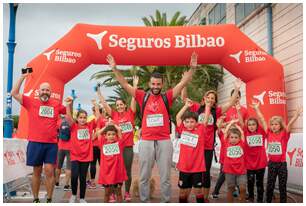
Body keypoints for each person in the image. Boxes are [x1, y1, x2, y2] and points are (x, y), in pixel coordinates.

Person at [106, 52, 197, 202]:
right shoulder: (143, 96)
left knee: (166, 176)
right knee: (144, 176)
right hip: (147, 141)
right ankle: (144, 201)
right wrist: (115, 68)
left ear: (162, 85)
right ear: (149, 84)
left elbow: (182, 84)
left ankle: (166, 201)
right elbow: (124, 84)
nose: (155, 86)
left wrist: (193, 68)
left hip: (164, 141)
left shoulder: (166, 96)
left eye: (158, 84)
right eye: (153, 84)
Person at [181, 78, 243, 202]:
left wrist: (236, 89)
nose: (210, 100)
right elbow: (184, 98)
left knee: (206, 172)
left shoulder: (217, 111)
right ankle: (187, 195)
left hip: (208, 146)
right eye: (208, 97)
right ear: (204, 99)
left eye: (212, 98)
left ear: (215, 101)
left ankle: (205, 197)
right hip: (195, 146)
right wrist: (184, 83)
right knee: (194, 171)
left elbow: (231, 103)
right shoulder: (197, 108)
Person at [11, 71, 67, 203]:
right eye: (43, 90)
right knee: (36, 172)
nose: (45, 92)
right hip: (35, 143)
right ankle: (36, 199)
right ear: (39, 91)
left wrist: (70, 103)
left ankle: (49, 199)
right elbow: (13, 93)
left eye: (47, 90)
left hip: (51, 144)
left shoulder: (56, 104)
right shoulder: (31, 102)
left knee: (49, 171)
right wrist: (22, 77)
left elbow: (68, 115)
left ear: (50, 92)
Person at [96, 76, 138, 201]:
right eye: (117, 105)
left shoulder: (130, 113)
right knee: (114, 172)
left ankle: (127, 192)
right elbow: (104, 104)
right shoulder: (113, 114)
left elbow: (134, 98)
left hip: (127, 147)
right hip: (114, 147)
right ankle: (113, 193)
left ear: (125, 106)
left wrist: (134, 86)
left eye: (121, 104)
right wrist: (99, 93)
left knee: (127, 171)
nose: (119, 106)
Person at [252, 104, 302, 203]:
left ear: (280, 125)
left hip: (282, 164)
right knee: (270, 185)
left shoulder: (284, 134)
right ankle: (268, 202)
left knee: (282, 186)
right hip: (271, 164)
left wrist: (296, 116)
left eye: (276, 124)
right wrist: (257, 109)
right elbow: (262, 120)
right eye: (272, 124)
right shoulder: (268, 133)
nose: (274, 126)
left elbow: (290, 125)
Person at [213, 90, 249, 199]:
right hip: (227, 139)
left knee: (238, 165)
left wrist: (238, 119)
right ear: (231, 97)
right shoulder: (226, 109)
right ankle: (216, 191)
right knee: (224, 169)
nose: (236, 99)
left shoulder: (244, 110)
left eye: (238, 97)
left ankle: (239, 191)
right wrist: (230, 123)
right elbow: (219, 124)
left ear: (240, 98)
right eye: (234, 96)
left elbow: (244, 125)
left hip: (239, 140)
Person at [175, 98, 208, 203]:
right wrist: (186, 106)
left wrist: (207, 106)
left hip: (197, 168)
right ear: (184, 123)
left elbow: (206, 120)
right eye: (187, 122)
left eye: (192, 122)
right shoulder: (182, 129)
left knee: (198, 191)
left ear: (196, 123)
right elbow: (177, 117)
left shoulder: (200, 130)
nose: (189, 124)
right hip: (184, 168)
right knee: (182, 193)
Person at [65, 97, 96, 203]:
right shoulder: (73, 126)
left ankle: (82, 198)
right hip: (75, 156)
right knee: (74, 176)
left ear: (86, 118)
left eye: (84, 117)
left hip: (86, 157)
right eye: (80, 117)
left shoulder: (90, 126)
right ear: (77, 118)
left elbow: (99, 118)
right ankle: (73, 195)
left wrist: (96, 105)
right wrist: (68, 105)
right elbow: (68, 117)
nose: (82, 119)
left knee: (83, 178)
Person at [242, 102, 268, 202]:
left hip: (260, 162)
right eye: (249, 125)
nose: (251, 126)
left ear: (257, 126)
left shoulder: (261, 131)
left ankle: (260, 200)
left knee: (259, 183)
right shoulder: (244, 133)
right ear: (247, 126)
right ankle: (251, 196)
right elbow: (241, 122)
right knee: (250, 181)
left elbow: (263, 120)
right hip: (249, 163)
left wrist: (257, 109)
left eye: (253, 124)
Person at [96, 122, 127, 203]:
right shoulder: (102, 143)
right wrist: (106, 126)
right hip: (106, 174)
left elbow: (119, 130)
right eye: (109, 134)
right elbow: (99, 133)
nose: (111, 136)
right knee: (107, 194)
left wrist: (113, 125)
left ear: (116, 135)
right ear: (105, 136)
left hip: (117, 173)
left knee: (119, 194)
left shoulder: (119, 143)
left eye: (113, 134)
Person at [223, 119, 247, 203]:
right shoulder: (226, 143)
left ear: (239, 138)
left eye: (236, 137)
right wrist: (231, 123)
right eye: (232, 137)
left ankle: (242, 201)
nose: (233, 139)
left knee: (243, 188)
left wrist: (237, 126)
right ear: (228, 138)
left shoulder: (242, 143)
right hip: (229, 170)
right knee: (231, 188)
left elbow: (242, 133)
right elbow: (226, 132)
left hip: (241, 170)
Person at [88, 100, 104, 189]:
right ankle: (100, 182)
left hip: (97, 145)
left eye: (94, 111)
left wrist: (93, 137)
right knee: (99, 164)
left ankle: (94, 182)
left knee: (94, 164)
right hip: (98, 146)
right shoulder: (102, 121)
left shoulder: (96, 121)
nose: (94, 112)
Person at [55, 115, 72, 191]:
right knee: (69, 167)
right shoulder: (71, 122)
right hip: (70, 147)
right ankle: (67, 185)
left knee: (58, 166)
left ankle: (56, 183)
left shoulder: (59, 122)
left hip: (60, 146)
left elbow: (56, 133)